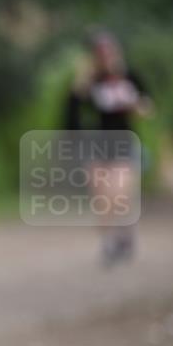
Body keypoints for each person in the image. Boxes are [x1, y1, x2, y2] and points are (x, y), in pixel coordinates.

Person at [64, 28, 153, 266]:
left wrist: (134, 104)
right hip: (97, 144)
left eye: (108, 52)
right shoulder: (88, 82)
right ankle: (108, 241)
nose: (105, 57)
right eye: (100, 53)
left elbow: (147, 108)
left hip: (124, 141)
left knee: (120, 194)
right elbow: (71, 116)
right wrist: (79, 86)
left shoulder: (129, 77)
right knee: (102, 196)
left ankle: (124, 232)